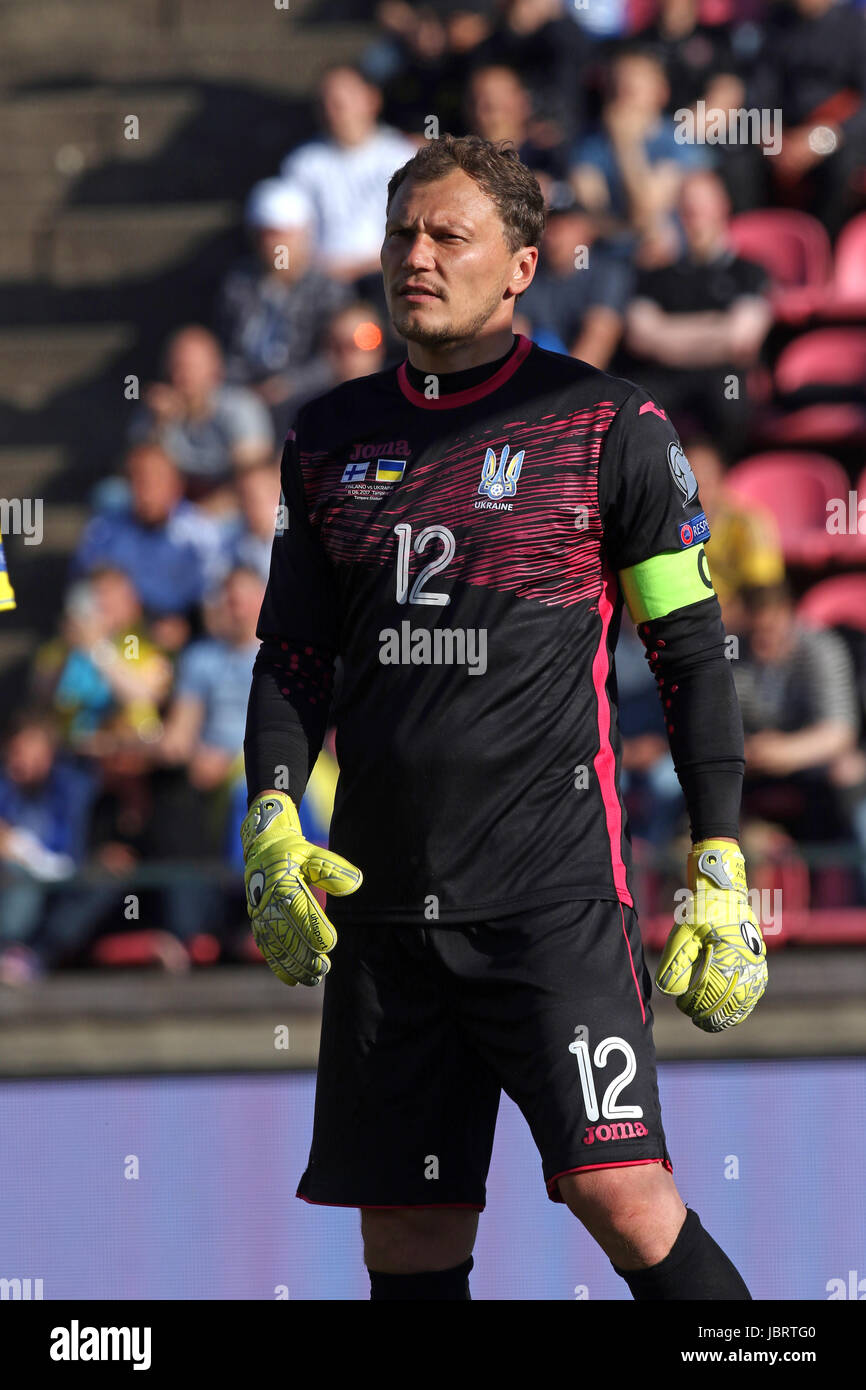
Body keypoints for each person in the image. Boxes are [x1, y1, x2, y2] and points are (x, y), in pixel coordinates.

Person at [242, 133, 766, 1301]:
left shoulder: (604, 424)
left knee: (619, 1194)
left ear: (519, 265)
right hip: (379, 903)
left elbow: (687, 654)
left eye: (446, 236)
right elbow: (291, 657)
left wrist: (719, 857)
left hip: (551, 900)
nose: (413, 258)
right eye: (398, 235)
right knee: (408, 1241)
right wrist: (272, 817)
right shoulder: (326, 437)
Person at [621, 170, 771, 454]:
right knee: (633, 410)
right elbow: (640, 337)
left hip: (724, 377)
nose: (695, 217)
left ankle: (725, 487)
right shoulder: (657, 276)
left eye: (702, 207)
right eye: (687, 209)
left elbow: (741, 339)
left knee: (731, 402)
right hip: (666, 378)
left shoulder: (749, 272)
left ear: (723, 207)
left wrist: (667, 333)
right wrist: (716, 326)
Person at [215, 179, 351, 413]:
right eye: (266, 235)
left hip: (312, 398)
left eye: (283, 234)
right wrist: (248, 390)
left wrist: (288, 386)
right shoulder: (238, 284)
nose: (274, 244)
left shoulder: (328, 290)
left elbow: (336, 357)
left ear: (304, 235)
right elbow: (228, 349)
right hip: (243, 398)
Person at [280, 65, 417, 285]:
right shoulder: (301, 164)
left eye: (343, 99)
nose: (334, 109)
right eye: (325, 102)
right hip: (323, 282)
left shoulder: (403, 156)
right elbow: (288, 238)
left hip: (390, 275)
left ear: (372, 99)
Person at [128, 326, 274, 501]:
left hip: (231, 508)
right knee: (113, 494)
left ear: (215, 369)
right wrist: (159, 425)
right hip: (175, 506)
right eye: (175, 367)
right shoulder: (155, 411)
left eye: (190, 367)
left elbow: (253, 477)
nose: (181, 376)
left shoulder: (242, 408)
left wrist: (203, 515)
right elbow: (137, 472)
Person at [515, 186, 633, 368]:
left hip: (590, 385)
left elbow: (598, 339)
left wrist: (562, 392)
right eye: (551, 225)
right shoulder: (531, 275)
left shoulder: (606, 273)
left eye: (567, 225)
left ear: (587, 231)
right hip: (540, 377)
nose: (555, 234)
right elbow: (516, 333)